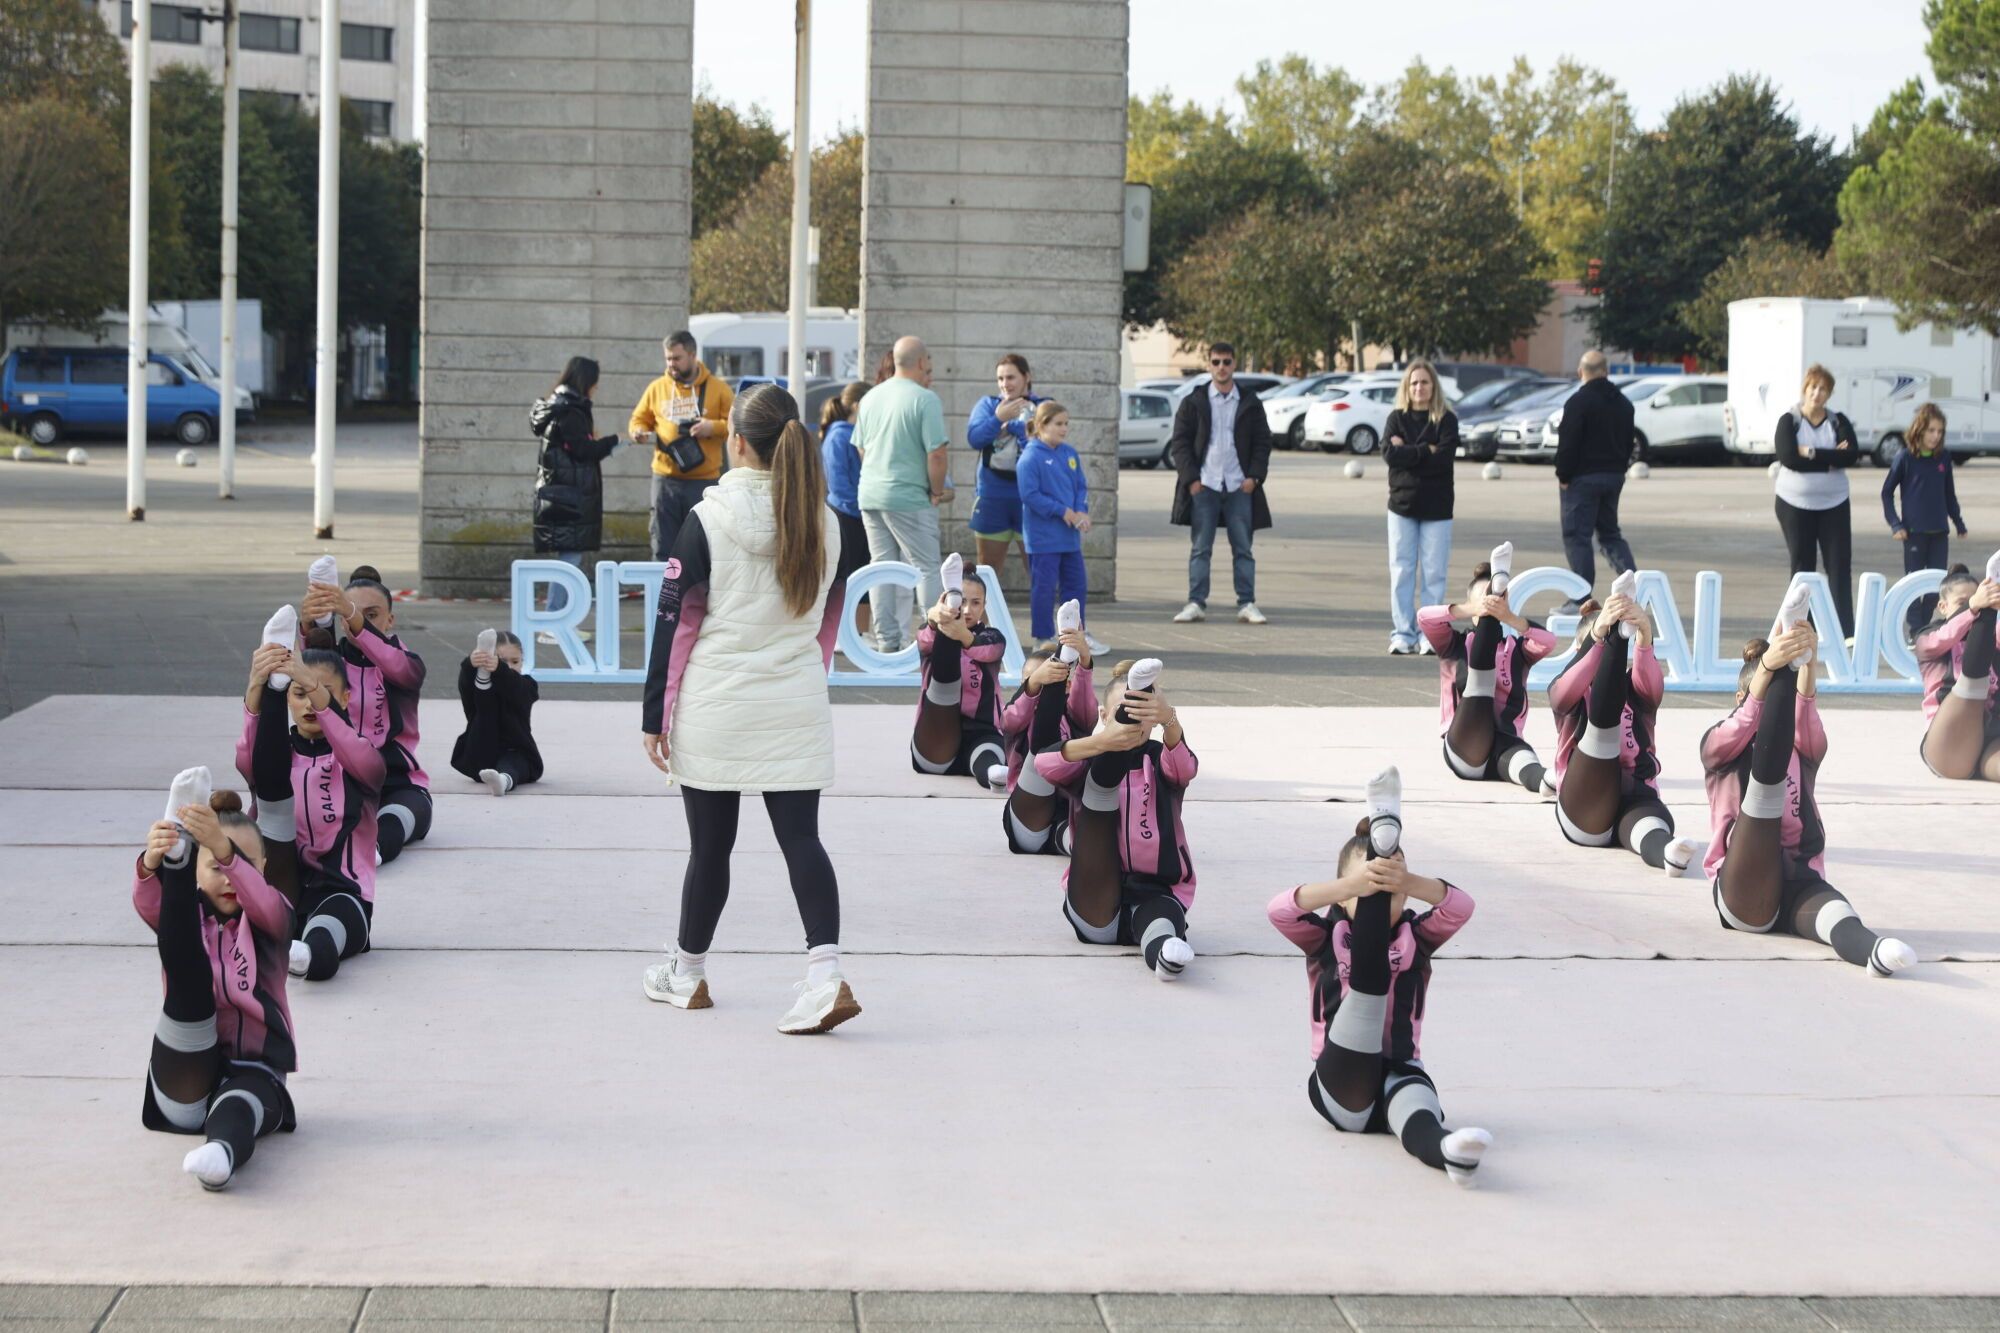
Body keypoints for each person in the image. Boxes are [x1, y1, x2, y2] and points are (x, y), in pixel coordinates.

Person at [639, 383, 871, 1033]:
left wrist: (655, 712)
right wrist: (799, 672)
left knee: (710, 847)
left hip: (718, 702)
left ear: (737, 442)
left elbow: (674, 623)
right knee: (802, 839)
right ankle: (825, 975)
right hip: (794, 698)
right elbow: (829, 621)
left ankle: (686, 973)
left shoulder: (707, 518)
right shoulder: (825, 522)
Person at [1266, 769, 1492, 1184]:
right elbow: (1279, 910)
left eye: (1391, 892)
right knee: (1369, 987)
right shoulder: (1324, 937)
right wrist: (1347, 886)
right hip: (1342, 1083)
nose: (1378, 897)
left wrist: (1410, 881)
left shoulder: (1417, 937)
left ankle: (1449, 1154)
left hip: (1401, 1071)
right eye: (1364, 890)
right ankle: (1382, 837)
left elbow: (1462, 907)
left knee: (1419, 1115)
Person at [1697, 608, 1918, 976]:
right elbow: (1750, 723)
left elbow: (1803, 714)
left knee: (1838, 916)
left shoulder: (1807, 750)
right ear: (1742, 697)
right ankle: (1780, 664)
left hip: (1800, 882)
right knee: (1764, 793)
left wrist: (1808, 663)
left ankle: (1875, 952)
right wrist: (1770, 670)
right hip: (1744, 891)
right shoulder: (1719, 747)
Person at [133, 773, 298, 1191]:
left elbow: (265, 902)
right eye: (215, 865)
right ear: (196, 872)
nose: (228, 876)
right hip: (185, 1076)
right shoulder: (189, 918)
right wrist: (153, 861)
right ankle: (176, 857)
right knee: (184, 954)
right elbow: (151, 903)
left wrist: (224, 851)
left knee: (239, 1105)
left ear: (261, 869)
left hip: (256, 1072)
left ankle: (219, 1154)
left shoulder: (273, 919)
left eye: (241, 863)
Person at [1031, 659, 1199, 980]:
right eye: (1125, 711)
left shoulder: (1160, 760)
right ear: (1104, 716)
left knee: (1162, 923)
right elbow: (1044, 763)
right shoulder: (1087, 757)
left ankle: (1165, 957)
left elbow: (1186, 768)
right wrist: (1103, 742)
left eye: (1141, 711)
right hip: (1093, 898)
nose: (1134, 720)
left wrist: (1170, 720)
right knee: (1099, 784)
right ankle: (1119, 723)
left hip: (1157, 889)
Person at [235, 646, 385, 982]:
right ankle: (283, 940)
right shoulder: (275, 760)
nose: (308, 704)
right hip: (282, 883)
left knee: (323, 939)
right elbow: (246, 758)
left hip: (343, 892)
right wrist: (256, 686)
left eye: (320, 692)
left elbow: (363, 760)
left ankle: (303, 954)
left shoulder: (361, 758)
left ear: (345, 698)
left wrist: (310, 685)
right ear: (287, 699)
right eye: (299, 693)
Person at [1546, 571, 1690, 873]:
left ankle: (1667, 853)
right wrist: (1602, 634)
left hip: (1635, 799)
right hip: (1584, 809)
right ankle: (1617, 635)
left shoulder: (1637, 691)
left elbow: (1652, 685)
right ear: (1582, 650)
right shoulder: (1567, 692)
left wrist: (1644, 635)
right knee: (1602, 726)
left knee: (1650, 830)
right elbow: (1563, 690)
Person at [305, 567, 429, 866]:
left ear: (390, 619)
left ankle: (372, 852)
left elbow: (394, 664)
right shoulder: (330, 664)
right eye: (346, 615)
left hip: (398, 783)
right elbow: (303, 671)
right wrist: (311, 620)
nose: (356, 622)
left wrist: (349, 612)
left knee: (406, 815)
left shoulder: (408, 663)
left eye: (370, 614)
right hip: (337, 782)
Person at [1416, 542, 1558, 796]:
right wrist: (1473, 610)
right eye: (1486, 600)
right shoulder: (1453, 645)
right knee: (1479, 687)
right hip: (1464, 747)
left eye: (1497, 600)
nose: (1491, 605)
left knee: (1524, 761)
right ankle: (1496, 584)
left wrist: (1512, 619)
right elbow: (1424, 617)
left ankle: (1544, 782)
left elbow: (1549, 641)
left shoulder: (1518, 649)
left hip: (1504, 744)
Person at [854, 335, 950, 653]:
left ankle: (887, 642)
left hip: (870, 493)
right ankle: (935, 640)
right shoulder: (925, 399)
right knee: (925, 567)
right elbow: (937, 454)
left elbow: (862, 448)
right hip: (909, 496)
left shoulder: (870, 398)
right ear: (921, 362)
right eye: (929, 366)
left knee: (881, 566)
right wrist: (936, 491)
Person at [1169, 342, 1272, 625]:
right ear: (1209, 365)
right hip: (1206, 485)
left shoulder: (1249, 401)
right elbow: (1180, 443)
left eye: (1226, 362)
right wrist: (1191, 479)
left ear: (1234, 364)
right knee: (1201, 548)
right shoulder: (1195, 401)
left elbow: (1263, 442)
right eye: (1216, 362)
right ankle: (1196, 602)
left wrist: (1254, 477)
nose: (1221, 367)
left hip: (1240, 486)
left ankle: (1247, 603)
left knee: (1243, 548)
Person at [529, 357, 619, 627]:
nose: (596, 389)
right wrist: (612, 442)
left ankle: (559, 623)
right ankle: (555, 624)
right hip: (569, 497)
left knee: (568, 560)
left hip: (561, 494)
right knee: (569, 563)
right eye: (594, 383)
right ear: (585, 381)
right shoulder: (570, 410)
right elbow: (582, 450)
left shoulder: (558, 405)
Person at [1773, 364, 1860, 641]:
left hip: (1834, 503)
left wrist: (1809, 452)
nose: (1817, 393)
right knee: (1803, 566)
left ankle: (1845, 633)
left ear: (1829, 393)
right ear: (1805, 389)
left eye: (1823, 389)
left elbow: (1851, 456)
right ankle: (1799, 629)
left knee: (1839, 566)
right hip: (1794, 503)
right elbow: (1788, 458)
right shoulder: (1789, 421)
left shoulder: (1838, 421)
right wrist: (1829, 457)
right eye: (1813, 387)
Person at [631, 330, 734, 563]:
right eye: (668, 358)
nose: (671, 364)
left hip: (703, 481)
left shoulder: (718, 389)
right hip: (665, 480)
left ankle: (697, 597)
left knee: (702, 546)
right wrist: (638, 431)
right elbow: (639, 419)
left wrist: (713, 427)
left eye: (676, 358)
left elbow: (736, 425)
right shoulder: (657, 388)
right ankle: (662, 596)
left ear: (692, 355)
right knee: (662, 544)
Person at [998, 622, 1097, 856]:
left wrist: (1084, 660)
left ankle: (1064, 660)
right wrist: (1036, 682)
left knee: (1084, 844)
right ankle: (1062, 656)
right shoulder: (1017, 719)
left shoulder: (1076, 718)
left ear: (1068, 686)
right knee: (1045, 742)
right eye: (1030, 680)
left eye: (1051, 681)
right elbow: (1009, 719)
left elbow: (1086, 710)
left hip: (1065, 813)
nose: (1040, 684)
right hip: (1027, 817)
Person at [911, 555, 1009, 789]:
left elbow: (987, 651)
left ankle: (994, 776)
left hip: (982, 733)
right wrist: (935, 619)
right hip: (935, 742)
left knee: (989, 759)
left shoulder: (993, 637)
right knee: (945, 641)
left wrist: (959, 631)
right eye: (961, 602)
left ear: (984, 606)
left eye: (975, 603)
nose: (967, 609)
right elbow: (924, 641)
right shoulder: (929, 632)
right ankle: (949, 606)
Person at [1383, 361, 1459, 655]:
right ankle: (1402, 632)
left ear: (1433, 386)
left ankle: (1430, 634)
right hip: (1401, 506)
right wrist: (1424, 450)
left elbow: (1443, 459)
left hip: (1437, 508)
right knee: (1401, 571)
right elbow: (1389, 455)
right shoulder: (1396, 418)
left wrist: (1408, 452)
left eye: (1424, 382)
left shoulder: (1446, 420)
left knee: (1434, 573)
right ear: (1407, 387)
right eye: (1414, 383)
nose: (1419, 388)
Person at [1553, 350, 1638, 595]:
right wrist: (1620, 470)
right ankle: (1634, 585)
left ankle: (1581, 598)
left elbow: (1568, 443)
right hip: (1613, 477)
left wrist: (1564, 476)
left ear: (1581, 372)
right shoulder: (1624, 403)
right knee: (1610, 534)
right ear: (1606, 371)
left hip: (1581, 480)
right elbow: (1628, 443)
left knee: (1577, 537)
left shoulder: (1578, 402)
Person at [1881, 403, 1967, 637]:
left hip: (1939, 532)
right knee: (1912, 586)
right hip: (1913, 533)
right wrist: (1895, 524)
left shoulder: (1944, 458)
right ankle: (1915, 630)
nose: (1935, 436)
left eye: (1939, 431)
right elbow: (1886, 492)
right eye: (1931, 430)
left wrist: (1958, 521)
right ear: (1920, 430)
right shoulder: (1905, 458)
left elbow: (1949, 493)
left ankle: (1923, 627)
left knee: (1936, 587)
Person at [1914, 555, 2000, 781]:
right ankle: (1992, 592)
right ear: (1943, 607)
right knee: (1973, 681)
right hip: (1948, 747)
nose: (1976, 605)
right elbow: (1947, 634)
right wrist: (1977, 608)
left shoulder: (1994, 636)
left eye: (1982, 600)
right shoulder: (1927, 639)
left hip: (1989, 742)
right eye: (1963, 602)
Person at [965, 354, 1044, 586]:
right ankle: (984, 623)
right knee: (986, 576)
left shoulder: (1041, 406)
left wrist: (1019, 428)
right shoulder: (988, 405)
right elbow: (974, 439)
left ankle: (1042, 623)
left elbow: (1047, 447)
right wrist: (998, 418)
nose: (1005, 383)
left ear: (1026, 377)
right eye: (1000, 378)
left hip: (1029, 499)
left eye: (1011, 377)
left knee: (1038, 571)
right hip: (992, 497)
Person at [1016, 401, 1091, 643]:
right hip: (1043, 539)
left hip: (1069, 538)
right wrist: (1062, 511)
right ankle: (1043, 636)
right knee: (1044, 589)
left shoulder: (1070, 453)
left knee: (1076, 588)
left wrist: (1081, 511)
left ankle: (1076, 635)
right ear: (1041, 425)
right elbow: (1030, 495)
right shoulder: (1030, 457)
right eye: (1058, 423)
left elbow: (1080, 485)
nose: (1064, 429)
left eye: (1066, 423)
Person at [451, 629, 542, 797]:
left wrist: (500, 669)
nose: (510, 666)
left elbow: (517, 690)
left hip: (514, 750)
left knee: (515, 764)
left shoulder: (527, 685)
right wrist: (470, 665)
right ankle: (482, 679)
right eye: (502, 661)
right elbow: (465, 689)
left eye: (515, 661)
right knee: (484, 697)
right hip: (480, 748)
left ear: (522, 661)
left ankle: (503, 781)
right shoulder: (474, 687)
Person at [820, 381, 872, 640]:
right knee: (850, 577)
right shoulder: (840, 436)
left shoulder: (847, 433)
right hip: (847, 515)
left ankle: (859, 633)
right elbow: (838, 486)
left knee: (861, 578)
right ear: (857, 405)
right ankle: (846, 635)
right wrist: (862, 507)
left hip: (854, 514)